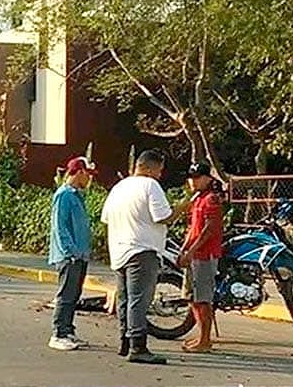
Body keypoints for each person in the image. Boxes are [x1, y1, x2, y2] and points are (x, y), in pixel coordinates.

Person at [100, 149, 190, 364]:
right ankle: (138, 347)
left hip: (119, 251)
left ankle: (125, 340)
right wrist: (184, 206)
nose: (160, 174)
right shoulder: (150, 185)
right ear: (148, 168)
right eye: (159, 169)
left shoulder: (119, 187)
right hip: (142, 250)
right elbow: (163, 217)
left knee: (125, 299)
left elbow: (106, 218)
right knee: (140, 299)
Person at [48, 156, 98, 351]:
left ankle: (68, 331)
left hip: (80, 254)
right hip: (69, 255)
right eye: (88, 174)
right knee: (66, 295)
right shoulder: (64, 195)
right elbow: (59, 226)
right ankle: (59, 334)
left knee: (74, 295)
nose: (90, 179)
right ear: (79, 172)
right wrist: (70, 251)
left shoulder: (77, 195)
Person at [178, 162, 224, 353]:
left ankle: (205, 340)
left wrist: (191, 251)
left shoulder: (211, 199)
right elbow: (193, 228)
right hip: (194, 255)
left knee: (203, 299)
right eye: (191, 177)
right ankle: (201, 336)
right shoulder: (197, 199)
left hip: (205, 256)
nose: (193, 181)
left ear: (208, 179)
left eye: (197, 177)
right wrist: (184, 249)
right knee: (193, 298)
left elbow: (209, 230)